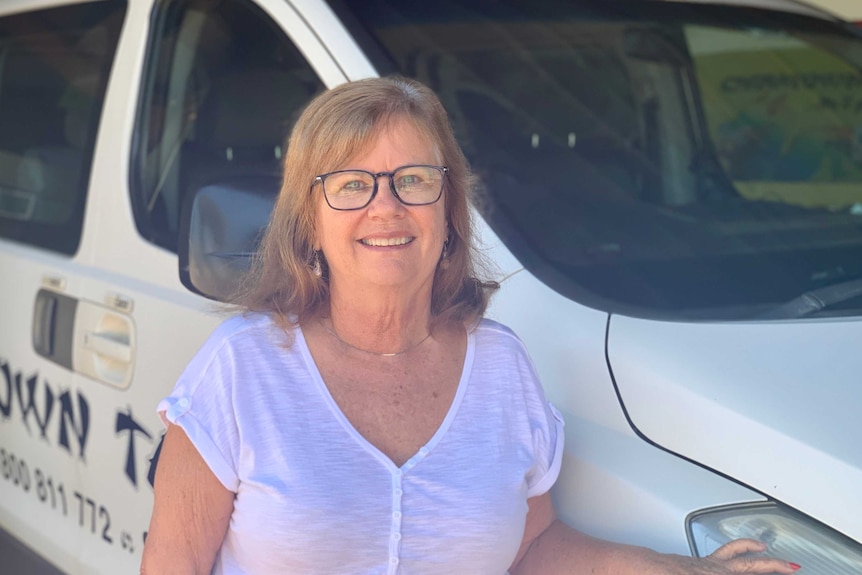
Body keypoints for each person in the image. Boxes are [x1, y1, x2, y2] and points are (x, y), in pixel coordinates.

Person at [140, 76, 800, 575]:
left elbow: (534, 543)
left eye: (414, 179)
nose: (386, 207)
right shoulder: (240, 369)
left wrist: (681, 568)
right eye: (351, 184)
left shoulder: (500, 367)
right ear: (308, 218)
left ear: (450, 209)